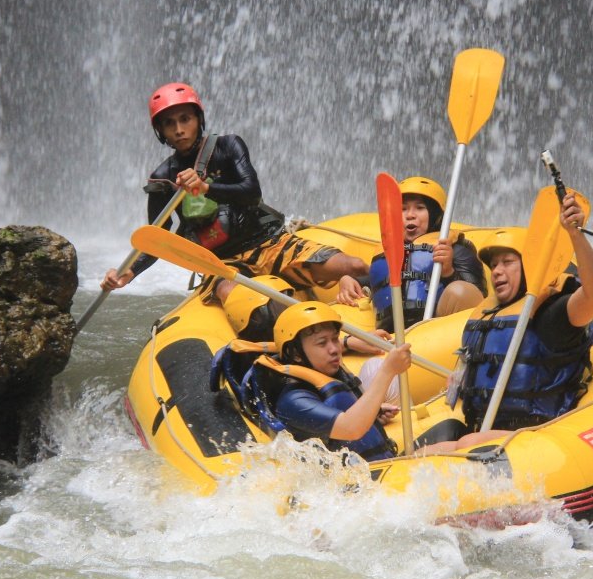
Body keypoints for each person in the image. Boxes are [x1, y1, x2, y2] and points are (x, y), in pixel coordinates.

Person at [102, 82, 368, 302]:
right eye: (169, 123)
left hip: (269, 243)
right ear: (160, 130)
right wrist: (129, 272)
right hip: (222, 264)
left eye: (185, 119)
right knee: (240, 300)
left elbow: (252, 192)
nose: (179, 130)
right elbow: (157, 238)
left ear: (198, 119)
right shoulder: (163, 178)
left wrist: (205, 188)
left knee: (355, 266)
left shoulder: (228, 146)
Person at [252, 302, 507, 462]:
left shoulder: (326, 370)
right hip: (360, 488)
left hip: (382, 464)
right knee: (463, 447)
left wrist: (374, 410)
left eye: (334, 339)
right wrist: (387, 371)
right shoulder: (293, 400)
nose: (334, 349)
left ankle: (526, 438)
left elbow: (349, 415)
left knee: (459, 436)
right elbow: (350, 429)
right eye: (322, 343)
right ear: (296, 354)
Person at [456, 192, 593, 433]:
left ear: (529, 267)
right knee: (443, 435)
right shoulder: (486, 315)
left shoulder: (551, 314)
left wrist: (575, 235)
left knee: (464, 443)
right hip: (482, 429)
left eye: (507, 262)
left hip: (531, 432)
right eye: (493, 265)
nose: (496, 271)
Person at [334, 176, 486, 327]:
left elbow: (477, 296)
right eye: (403, 209)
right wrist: (351, 280)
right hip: (390, 331)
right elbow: (381, 282)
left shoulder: (456, 249)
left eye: (420, 208)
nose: (410, 215)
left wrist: (449, 273)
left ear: (435, 215)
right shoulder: (389, 251)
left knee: (459, 291)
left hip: (436, 328)